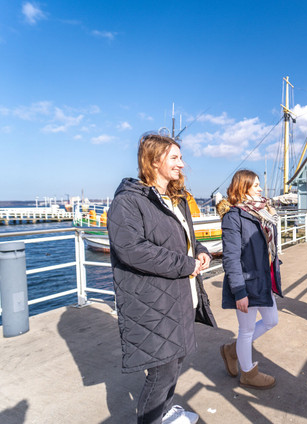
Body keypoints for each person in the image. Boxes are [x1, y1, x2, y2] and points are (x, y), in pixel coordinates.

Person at [108, 132, 216, 424]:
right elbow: (132, 250)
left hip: (179, 297)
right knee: (162, 370)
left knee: (174, 361)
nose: (182, 163)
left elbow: (187, 239)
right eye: (175, 157)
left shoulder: (176, 198)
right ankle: (151, 419)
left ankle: (166, 412)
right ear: (154, 161)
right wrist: (186, 264)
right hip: (152, 302)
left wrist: (202, 251)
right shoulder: (129, 202)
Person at [217, 169, 283, 389]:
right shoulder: (233, 216)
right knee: (246, 330)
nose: (261, 189)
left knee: (272, 320)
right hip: (246, 282)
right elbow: (231, 258)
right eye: (256, 185)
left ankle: (231, 350)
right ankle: (248, 373)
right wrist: (239, 292)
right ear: (243, 188)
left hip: (263, 279)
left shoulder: (259, 212)